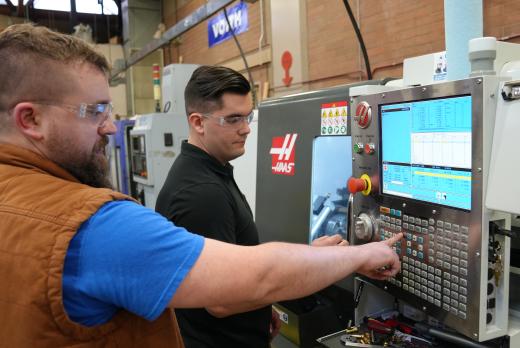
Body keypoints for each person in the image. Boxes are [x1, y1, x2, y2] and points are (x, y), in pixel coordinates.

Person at [0, 23, 402, 347]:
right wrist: (357, 257)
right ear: (30, 120)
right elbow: (250, 281)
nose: (109, 126)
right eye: (94, 111)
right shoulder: (92, 225)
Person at [156, 66, 351, 347]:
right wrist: (310, 260)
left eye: (247, 116)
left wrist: (259, 309)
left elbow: (231, 264)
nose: (247, 128)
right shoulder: (201, 194)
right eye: (233, 119)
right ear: (198, 122)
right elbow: (221, 300)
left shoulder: (210, 171)